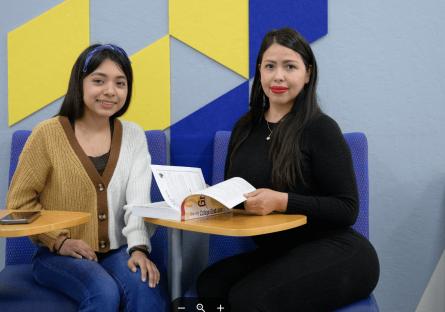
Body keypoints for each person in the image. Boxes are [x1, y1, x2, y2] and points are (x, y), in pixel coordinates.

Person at [196, 27, 379, 312]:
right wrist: (215, 199)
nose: (278, 76)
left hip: (337, 250)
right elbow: (240, 200)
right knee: (210, 285)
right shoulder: (244, 127)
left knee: (248, 298)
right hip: (280, 252)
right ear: (260, 71)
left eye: (289, 66)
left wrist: (281, 201)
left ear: (307, 74)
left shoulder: (320, 128)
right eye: (270, 66)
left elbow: (347, 209)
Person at [6, 44, 165, 312]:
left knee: (145, 290)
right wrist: (59, 240)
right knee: (102, 291)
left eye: (120, 83)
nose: (110, 91)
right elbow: (18, 205)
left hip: (118, 251)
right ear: (79, 83)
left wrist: (139, 248)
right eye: (99, 81)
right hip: (56, 254)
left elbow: (139, 201)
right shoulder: (46, 135)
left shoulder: (135, 135)